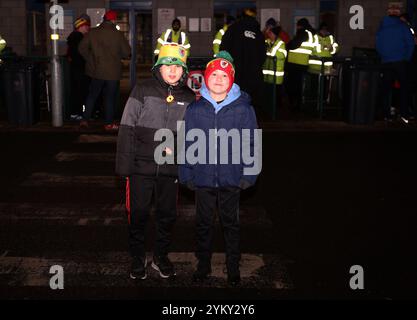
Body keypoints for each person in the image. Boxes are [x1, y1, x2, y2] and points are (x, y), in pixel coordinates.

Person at [179, 51, 259, 286]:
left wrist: (250, 173)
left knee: (230, 224)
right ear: (205, 78)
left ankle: (233, 267)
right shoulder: (195, 110)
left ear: (231, 80)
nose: (218, 79)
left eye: (224, 76)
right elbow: (187, 143)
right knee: (203, 224)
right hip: (203, 178)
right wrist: (186, 172)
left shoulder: (243, 109)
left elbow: (251, 142)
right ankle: (203, 265)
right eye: (213, 75)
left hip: (231, 178)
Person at [116, 44, 195, 280]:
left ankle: (160, 256)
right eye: (167, 65)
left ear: (184, 71)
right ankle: (137, 257)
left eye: (178, 66)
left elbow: (190, 137)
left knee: (167, 215)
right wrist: (125, 166)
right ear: (158, 68)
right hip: (141, 168)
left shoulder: (189, 98)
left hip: (170, 170)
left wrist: (184, 162)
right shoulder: (142, 90)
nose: (172, 70)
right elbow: (127, 128)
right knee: (138, 213)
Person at [78, 10, 131, 131]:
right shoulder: (118, 34)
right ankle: (108, 123)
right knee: (110, 98)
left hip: (96, 71)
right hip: (113, 73)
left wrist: (90, 59)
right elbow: (127, 52)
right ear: (113, 20)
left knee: (92, 96)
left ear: (104, 19)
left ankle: (84, 120)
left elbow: (81, 47)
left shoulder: (93, 32)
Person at [220, 8, 266, 111]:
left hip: (236, 75)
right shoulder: (259, 34)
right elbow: (263, 55)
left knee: (234, 102)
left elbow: (223, 51)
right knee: (252, 105)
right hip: (254, 75)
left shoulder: (233, 29)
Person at [376, 6, 415, 123]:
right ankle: (404, 114)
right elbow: (410, 44)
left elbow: (378, 46)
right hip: (400, 61)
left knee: (385, 88)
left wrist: (384, 56)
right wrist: (406, 57)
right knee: (404, 88)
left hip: (386, 61)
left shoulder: (382, 28)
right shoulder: (403, 27)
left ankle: (386, 114)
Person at [285, 18, 315, 112]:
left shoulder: (303, 33)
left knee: (294, 85)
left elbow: (293, 45)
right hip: (303, 62)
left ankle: (296, 105)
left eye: (297, 25)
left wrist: (287, 45)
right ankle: (297, 104)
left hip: (296, 63)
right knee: (299, 85)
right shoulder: (310, 33)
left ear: (300, 25)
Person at [67, 15, 91, 121]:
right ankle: (79, 114)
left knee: (76, 91)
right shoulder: (79, 38)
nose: (88, 28)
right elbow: (82, 54)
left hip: (76, 69)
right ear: (80, 27)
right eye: (86, 26)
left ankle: (74, 113)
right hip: (80, 69)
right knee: (81, 91)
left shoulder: (73, 38)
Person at [262, 26, 287, 113]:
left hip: (276, 73)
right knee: (268, 93)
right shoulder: (267, 42)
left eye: (270, 33)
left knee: (276, 93)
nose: (269, 34)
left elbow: (282, 55)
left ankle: (276, 110)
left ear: (274, 34)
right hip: (268, 73)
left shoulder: (281, 43)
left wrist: (268, 53)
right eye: (268, 33)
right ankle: (269, 109)